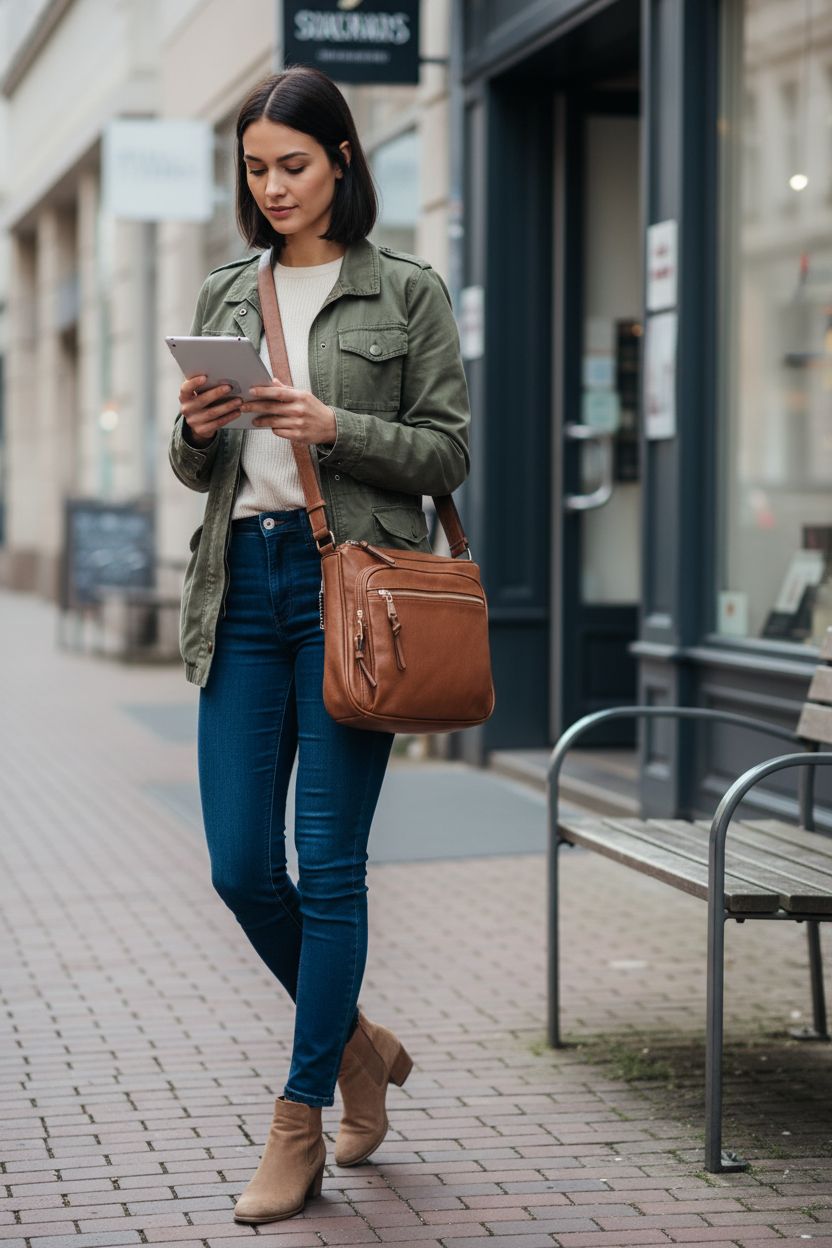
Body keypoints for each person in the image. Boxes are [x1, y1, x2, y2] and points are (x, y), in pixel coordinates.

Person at [168, 66, 471, 1225]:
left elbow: (446, 453)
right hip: (241, 585)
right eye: (255, 169)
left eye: (293, 163)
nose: (273, 186)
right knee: (242, 867)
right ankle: (358, 1045)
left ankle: (300, 1116)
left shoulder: (406, 292)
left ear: (343, 158)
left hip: (356, 596)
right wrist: (198, 429)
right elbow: (196, 473)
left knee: (328, 866)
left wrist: (335, 426)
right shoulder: (225, 288)